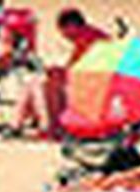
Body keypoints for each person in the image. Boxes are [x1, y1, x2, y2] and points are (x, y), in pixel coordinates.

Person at [11, 6, 110, 140]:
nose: (65, 37)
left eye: (65, 32)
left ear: (71, 26)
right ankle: (20, 124)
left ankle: (44, 126)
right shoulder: (89, 37)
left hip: (94, 89)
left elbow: (81, 70)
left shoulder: (88, 40)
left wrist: (58, 73)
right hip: (94, 83)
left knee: (41, 84)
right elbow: (75, 67)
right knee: (36, 82)